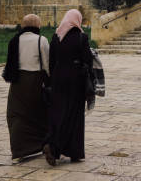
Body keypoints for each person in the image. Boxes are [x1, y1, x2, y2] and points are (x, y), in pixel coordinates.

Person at [43, 9, 93, 166]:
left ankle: (57, 147)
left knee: (59, 112)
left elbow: (51, 61)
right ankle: (62, 149)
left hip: (58, 79)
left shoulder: (56, 37)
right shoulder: (81, 37)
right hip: (75, 80)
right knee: (74, 115)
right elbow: (88, 61)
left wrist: (51, 81)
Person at [2, 14, 50, 162]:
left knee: (16, 115)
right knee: (39, 113)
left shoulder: (14, 40)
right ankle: (41, 144)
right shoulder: (41, 40)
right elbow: (47, 64)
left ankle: (19, 149)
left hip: (17, 82)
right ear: (37, 25)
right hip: (35, 82)